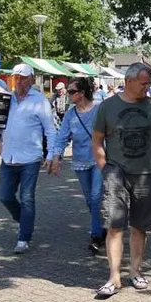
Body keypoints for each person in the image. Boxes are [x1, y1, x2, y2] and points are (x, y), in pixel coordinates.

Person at [92, 63, 151, 297]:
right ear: (129, 81)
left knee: (139, 226)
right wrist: (104, 167)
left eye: (148, 83)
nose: (147, 88)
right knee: (114, 226)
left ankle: (135, 271)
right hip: (116, 173)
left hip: (146, 174)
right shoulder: (107, 107)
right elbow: (97, 140)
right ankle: (113, 276)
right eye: (144, 83)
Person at [0, 64, 57, 254]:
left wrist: (50, 155)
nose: (19, 81)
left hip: (30, 158)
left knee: (27, 197)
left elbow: (50, 130)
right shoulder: (6, 99)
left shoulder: (40, 101)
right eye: (17, 78)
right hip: (8, 157)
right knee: (4, 196)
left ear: (31, 79)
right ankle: (24, 219)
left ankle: (24, 237)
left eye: (23, 78)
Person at [51, 77, 106, 255]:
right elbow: (62, 137)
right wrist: (56, 156)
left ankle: (96, 235)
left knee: (97, 196)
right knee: (90, 199)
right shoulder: (70, 114)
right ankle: (101, 226)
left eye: (72, 92)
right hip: (81, 160)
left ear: (82, 93)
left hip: (99, 159)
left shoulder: (99, 110)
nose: (68, 95)